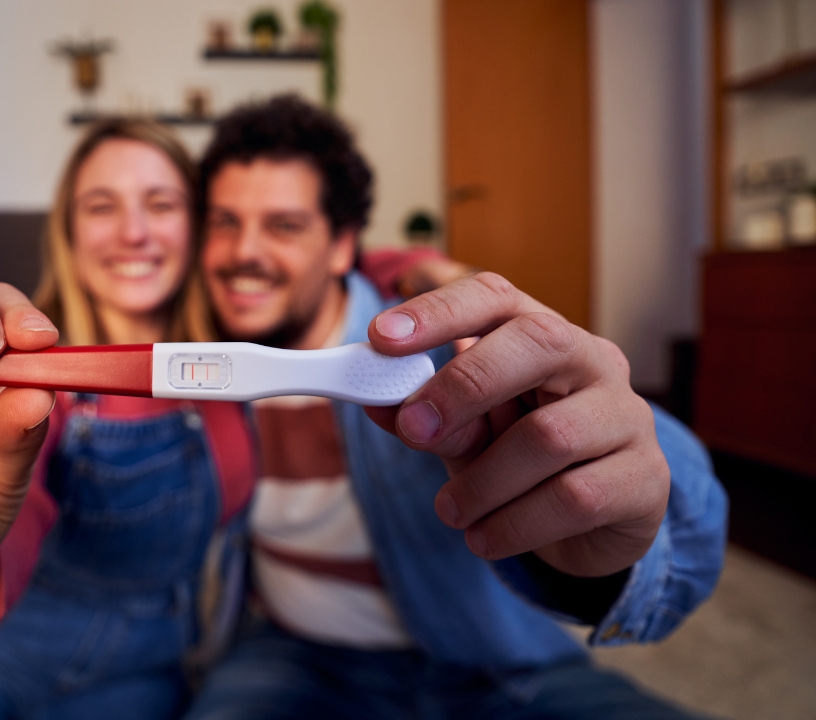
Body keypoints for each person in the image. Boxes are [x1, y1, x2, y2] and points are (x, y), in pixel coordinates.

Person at [0, 117, 453, 718]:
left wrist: (427, 268)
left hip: (148, 672)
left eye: (160, 204)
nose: (134, 231)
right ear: (70, 233)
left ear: (197, 229)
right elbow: (13, 519)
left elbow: (317, 259)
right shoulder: (25, 377)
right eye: (102, 206)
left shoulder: (242, 343)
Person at [181, 95, 726, 719]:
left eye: (284, 225)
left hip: (491, 666)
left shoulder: (434, 344)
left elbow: (670, 506)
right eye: (224, 222)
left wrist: (629, 495)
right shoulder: (195, 359)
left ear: (341, 246)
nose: (244, 251)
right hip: (293, 656)